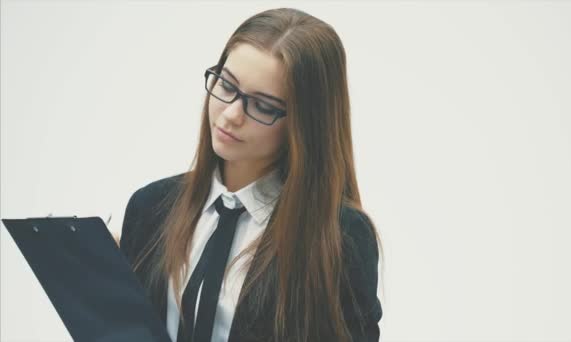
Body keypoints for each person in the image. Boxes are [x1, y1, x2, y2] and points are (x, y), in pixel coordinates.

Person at [119, 7, 384, 342]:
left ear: (304, 124)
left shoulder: (339, 237)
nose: (230, 115)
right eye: (226, 85)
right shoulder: (152, 207)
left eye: (262, 106)